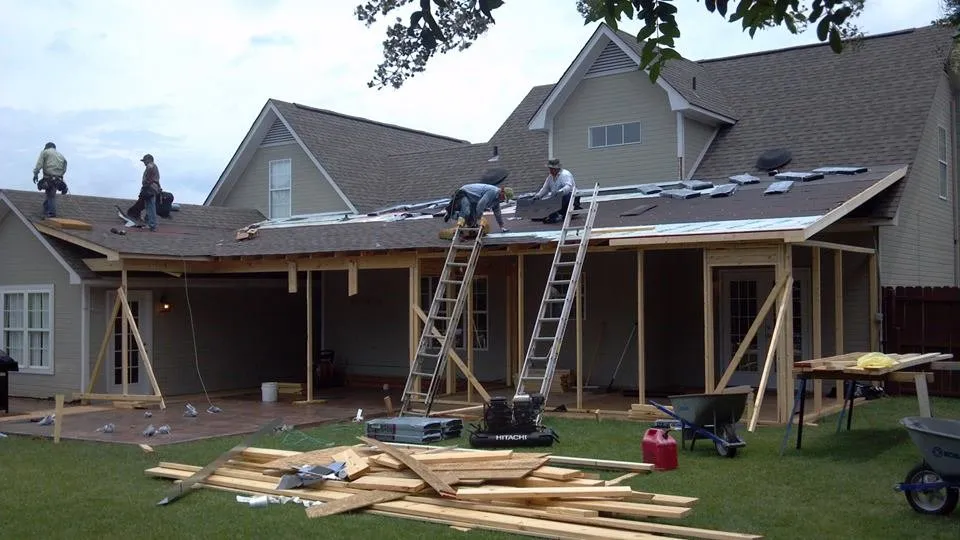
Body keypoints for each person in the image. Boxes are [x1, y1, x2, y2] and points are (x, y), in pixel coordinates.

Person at [448, 183, 514, 233]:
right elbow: (481, 204)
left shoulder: (497, 200)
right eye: (503, 197)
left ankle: (467, 231)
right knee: (466, 212)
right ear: (502, 191)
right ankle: (453, 217)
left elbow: (498, 213)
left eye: (504, 199)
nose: (502, 199)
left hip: (474, 200)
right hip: (465, 193)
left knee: (472, 221)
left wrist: (502, 226)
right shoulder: (492, 192)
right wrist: (479, 217)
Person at [533, 158, 581, 223]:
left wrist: (559, 192)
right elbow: (545, 188)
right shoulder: (550, 177)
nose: (551, 171)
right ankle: (554, 215)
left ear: (557, 168)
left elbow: (568, 187)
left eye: (552, 169)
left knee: (561, 198)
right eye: (550, 169)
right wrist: (538, 196)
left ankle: (557, 215)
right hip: (557, 199)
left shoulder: (565, 174)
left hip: (571, 198)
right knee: (549, 201)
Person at [32, 142, 68, 218]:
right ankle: (46, 210)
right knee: (50, 194)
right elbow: (65, 166)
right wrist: (60, 175)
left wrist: (35, 174)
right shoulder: (61, 155)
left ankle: (52, 213)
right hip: (58, 179)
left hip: (49, 178)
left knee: (50, 195)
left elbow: (39, 164)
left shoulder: (45, 152)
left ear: (47, 147)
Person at [127, 154, 161, 231]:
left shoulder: (150, 166)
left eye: (145, 160)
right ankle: (149, 222)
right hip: (153, 188)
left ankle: (152, 225)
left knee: (150, 207)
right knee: (149, 206)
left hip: (150, 188)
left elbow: (149, 177)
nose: (144, 163)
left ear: (149, 160)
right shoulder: (153, 166)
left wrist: (146, 185)